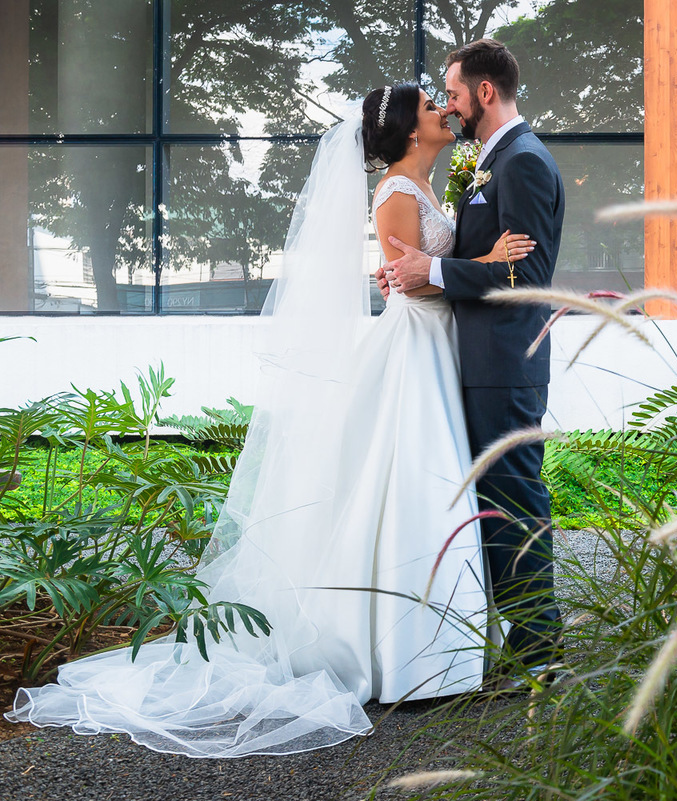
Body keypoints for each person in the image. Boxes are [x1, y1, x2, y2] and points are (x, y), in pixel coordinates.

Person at [4, 84, 535, 758]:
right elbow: (406, 275)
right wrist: (484, 263)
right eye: (430, 106)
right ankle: (412, 654)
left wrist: (454, 265)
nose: (442, 111)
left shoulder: (423, 186)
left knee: (423, 482)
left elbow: (409, 269)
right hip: (413, 342)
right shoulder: (396, 191)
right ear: (406, 131)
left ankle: (437, 650)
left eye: (441, 102)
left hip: (434, 342)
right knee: (411, 480)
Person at [378, 38, 565, 683]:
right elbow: (485, 258)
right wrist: (420, 278)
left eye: (454, 93)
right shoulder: (491, 161)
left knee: (513, 495)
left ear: (485, 92)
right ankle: (515, 636)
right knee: (492, 497)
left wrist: (431, 267)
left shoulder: (522, 163)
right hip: (473, 354)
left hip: (505, 360)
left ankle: (539, 647)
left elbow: (528, 272)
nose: (449, 106)